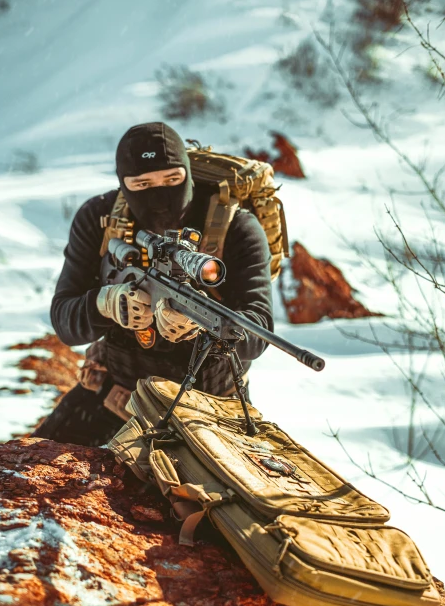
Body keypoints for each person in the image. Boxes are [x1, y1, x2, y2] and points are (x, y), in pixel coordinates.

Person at [34, 122, 274, 446]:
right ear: (123, 185)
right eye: (142, 183)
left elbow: (259, 330)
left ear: (187, 173)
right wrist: (104, 304)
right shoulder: (100, 218)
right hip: (116, 397)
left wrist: (204, 326)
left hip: (209, 410)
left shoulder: (237, 227)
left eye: (172, 180)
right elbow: (65, 321)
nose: (160, 197)